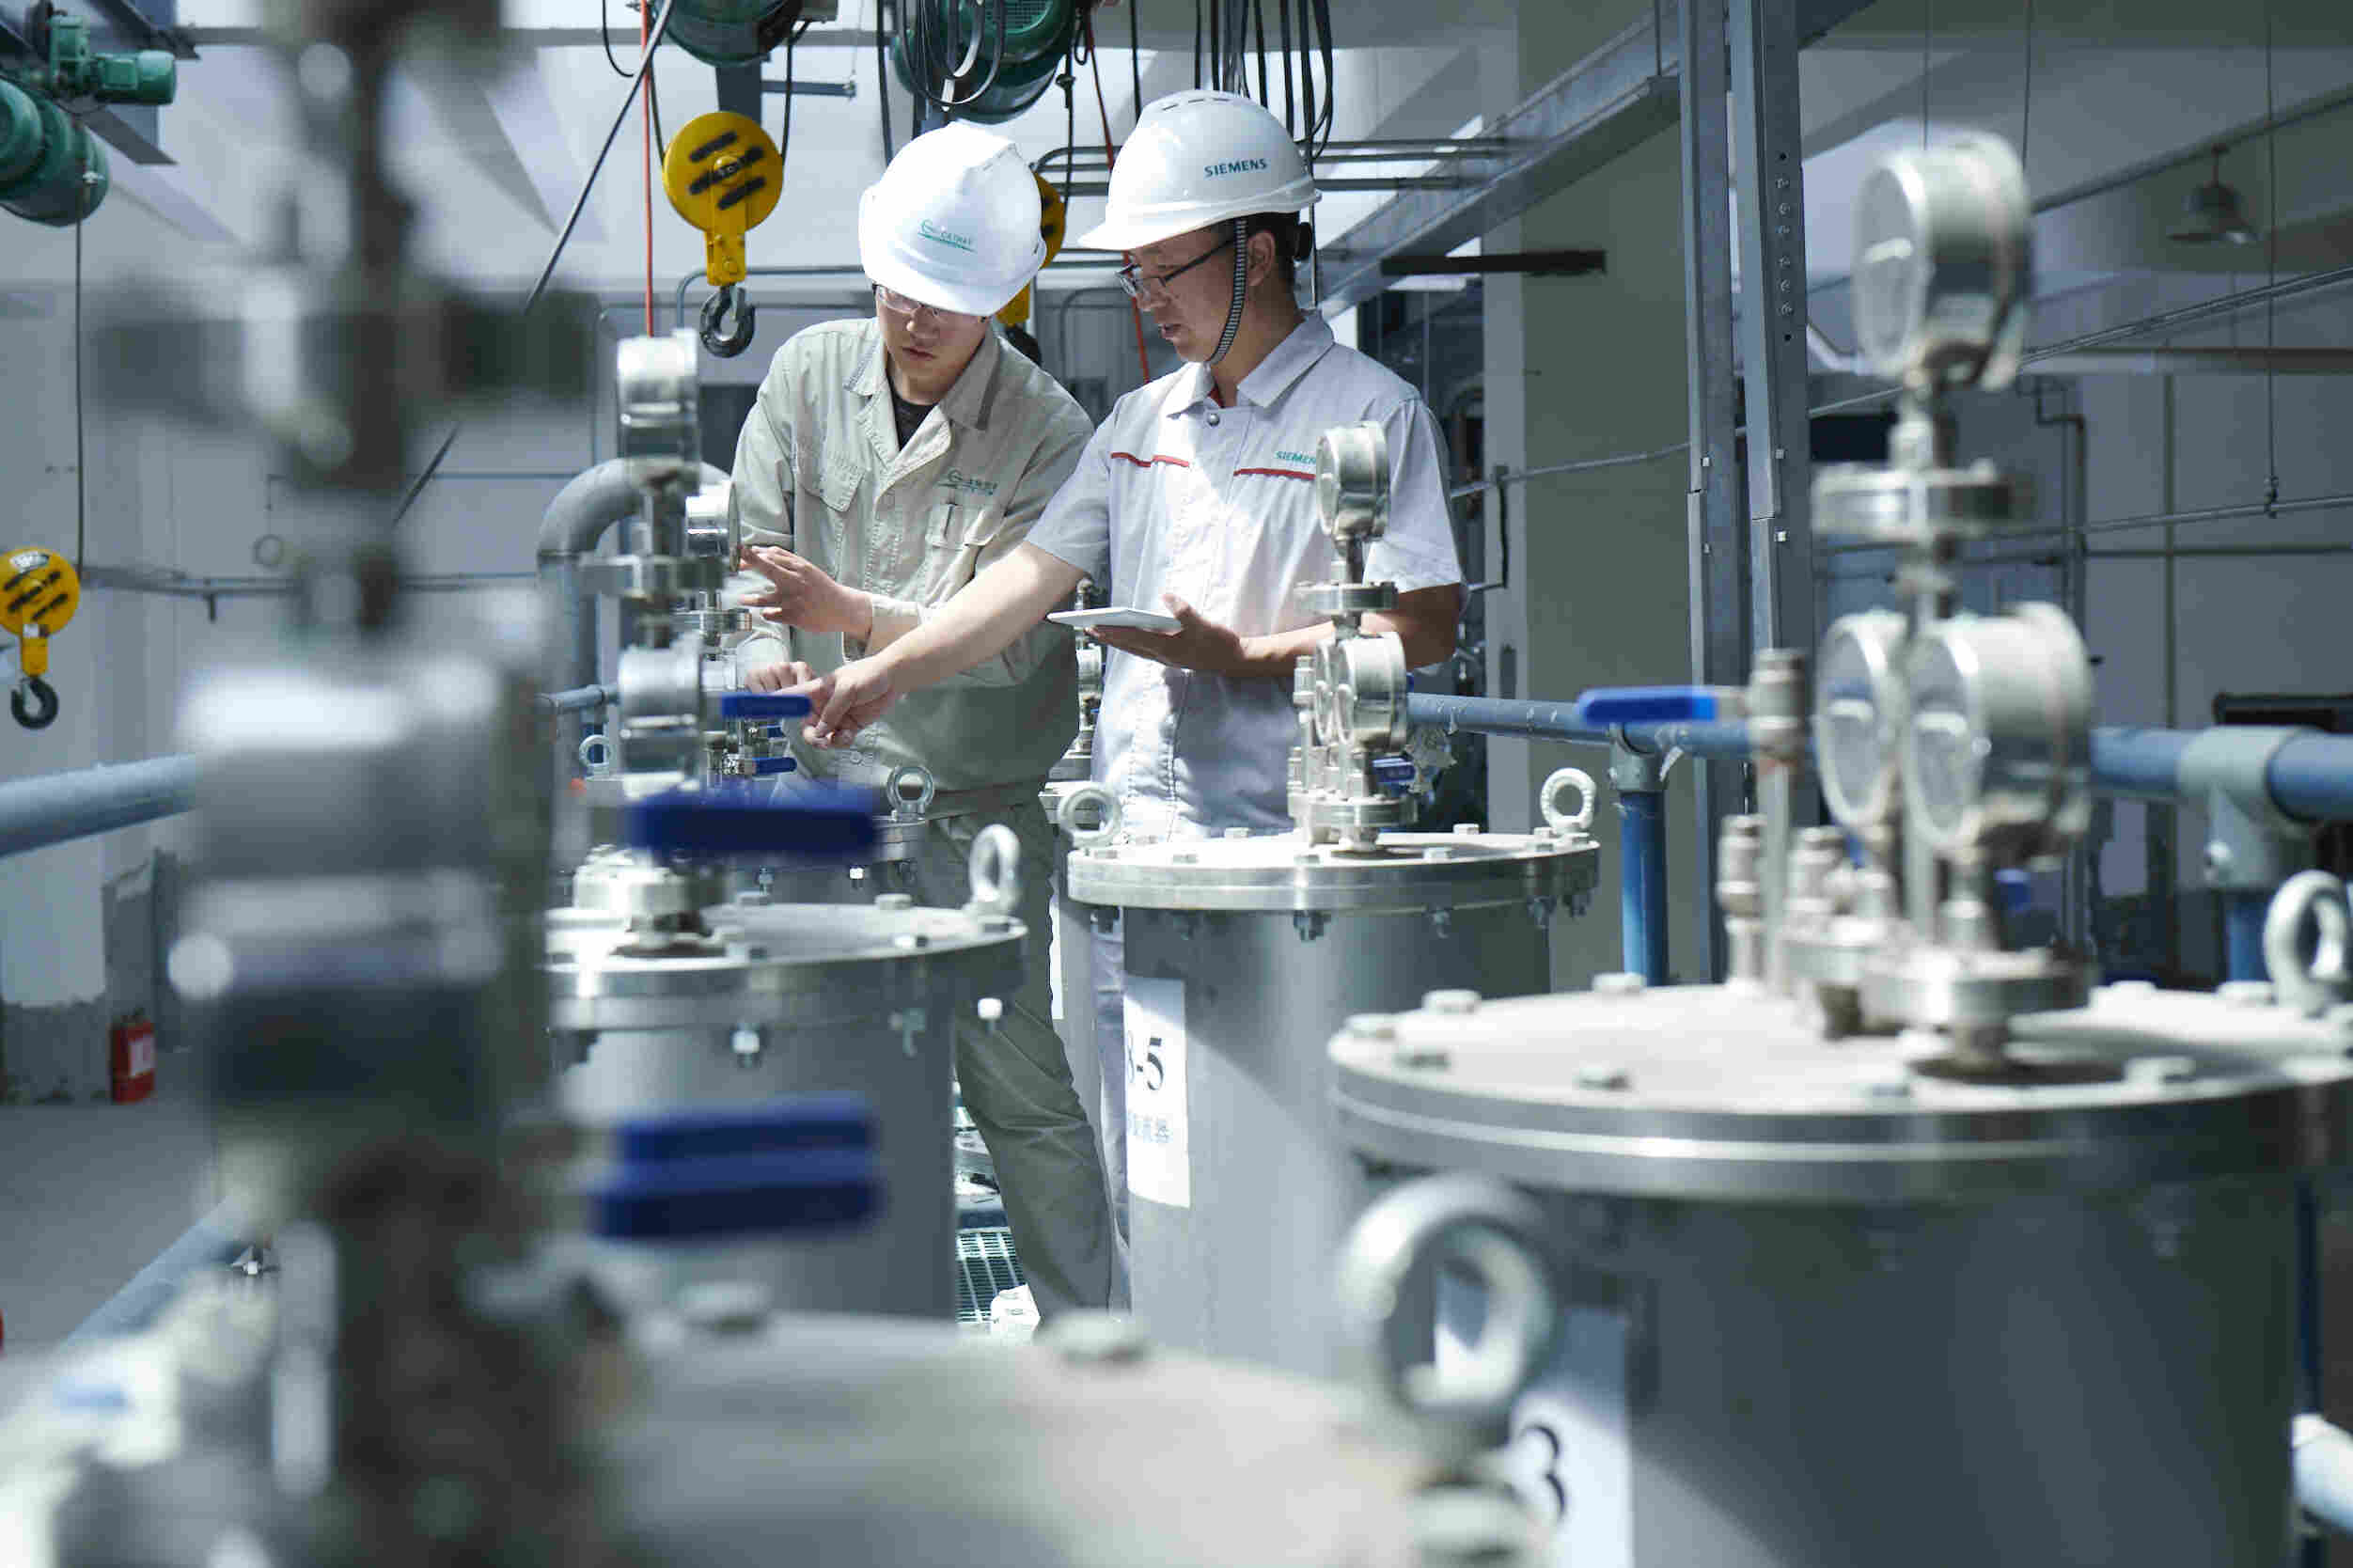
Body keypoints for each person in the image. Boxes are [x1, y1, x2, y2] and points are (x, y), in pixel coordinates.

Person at [761, 89, 1466, 1264]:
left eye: (1161, 272)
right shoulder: (1140, 424)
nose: (1148, 301)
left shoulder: (1370, 413)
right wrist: (879, 675)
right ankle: (1150, 1348)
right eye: (1134, 276)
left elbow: (1427, 621)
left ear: (1253, 253)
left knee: (1282, 1167)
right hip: (1128, 861)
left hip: (1282, 858)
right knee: (1151, 1166)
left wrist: (1246, 658)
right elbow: (1021, 586)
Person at [727, 120, 1118, 1321]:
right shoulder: (807, 376)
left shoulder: (1048, 431)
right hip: (824, 808)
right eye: (897, 287)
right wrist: (763, 659)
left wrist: (853, 622)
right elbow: (749, 565)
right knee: (816, 1085)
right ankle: (839, 1344)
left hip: (972, 816)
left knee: (1020, 1097)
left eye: (944, 301)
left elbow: (1015, 642)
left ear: (1000, 295)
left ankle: (1087, 1342)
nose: (912, 318)